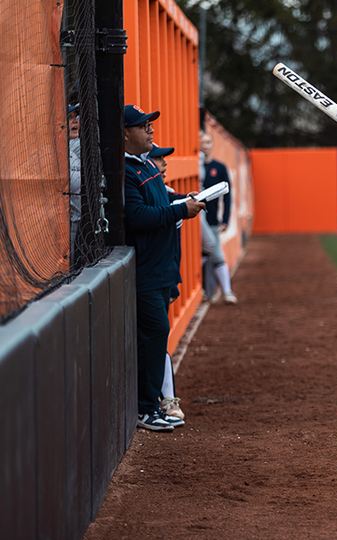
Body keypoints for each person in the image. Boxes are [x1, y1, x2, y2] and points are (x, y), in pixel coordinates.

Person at [123, 105, 204, 431]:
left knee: (156, 338)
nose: (151, 131)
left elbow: (159, 205)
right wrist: (180, 211)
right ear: (126, 133)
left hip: (160, 267)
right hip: (145, 270)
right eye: (144, 126)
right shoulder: (126, 170)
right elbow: (138, 217)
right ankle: (146, 409)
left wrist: (187, 200)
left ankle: (153, 405)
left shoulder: (144, 166)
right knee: (153, 337)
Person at [148, 142, 185, 420]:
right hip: (149, 274)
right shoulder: (153, 192)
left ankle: (167, 398)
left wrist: (174, 278)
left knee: (160, 336)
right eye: (159, 159)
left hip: (163, 273)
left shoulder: (167, 193)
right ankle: (160, 400)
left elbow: (175, 245)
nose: (164, 164)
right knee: (157, 335)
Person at [199, 131, 237, 305]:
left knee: (213, 253)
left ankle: (226, 292)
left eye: (208, 142)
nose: (205, 145)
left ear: (213, 144)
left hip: (212, 219)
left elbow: (227, 196)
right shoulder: (197, 167)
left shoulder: (219, 167)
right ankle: (214, 291)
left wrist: (226, 219)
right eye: (202, 142)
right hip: (194, 218)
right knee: (209, 253)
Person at [68, 104, 81, 269]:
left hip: (80, 225)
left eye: (75, 116)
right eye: (69, 117)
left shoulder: (77, 146)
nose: (75, 120)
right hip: (63, 227)